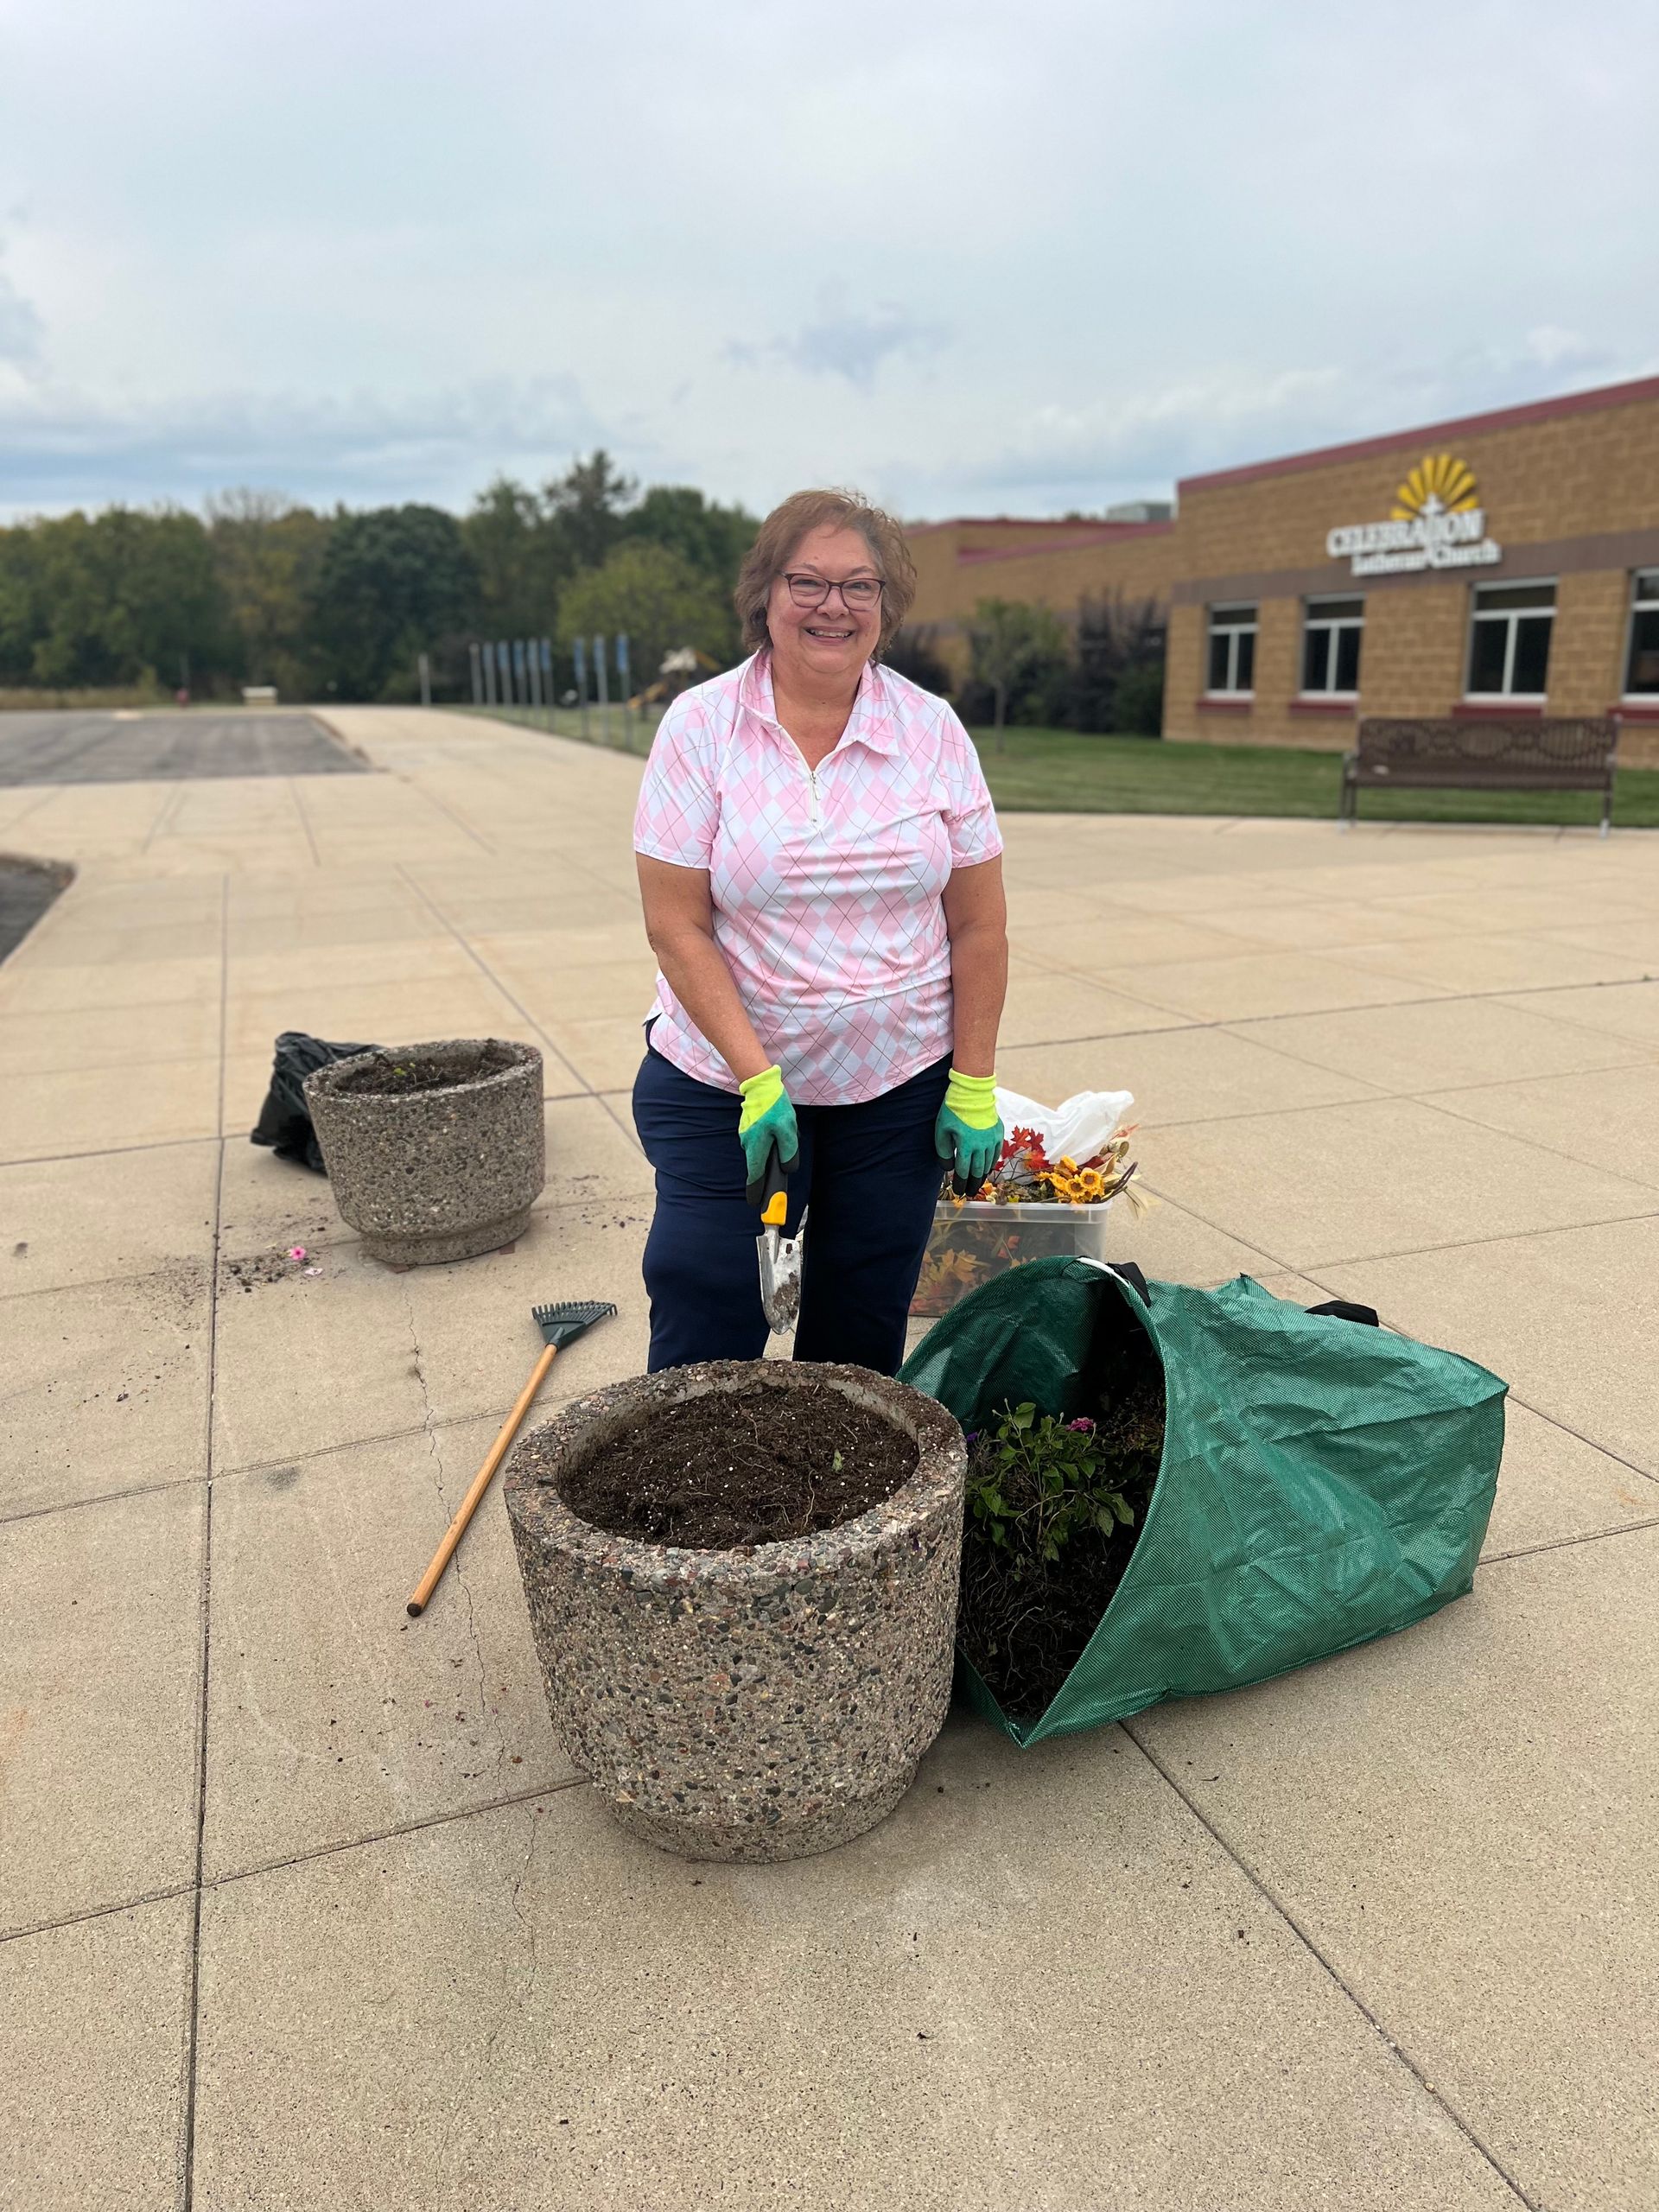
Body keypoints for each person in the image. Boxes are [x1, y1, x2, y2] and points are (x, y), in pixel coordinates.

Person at [631, 487, 1008, 1374]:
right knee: (705, 1310)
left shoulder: (932, 731)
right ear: (765, 594)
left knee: (861, 1329)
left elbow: (980, 925)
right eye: (807, 580)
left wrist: (975, 1083)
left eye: (860, 586)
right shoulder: (702, 726)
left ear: (887, 606)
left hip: (895, 1091)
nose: (833, 605)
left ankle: (841, 1511)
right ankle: (692, 1504)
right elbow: (675, 923)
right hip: (727, 1087)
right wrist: (758, 1078)